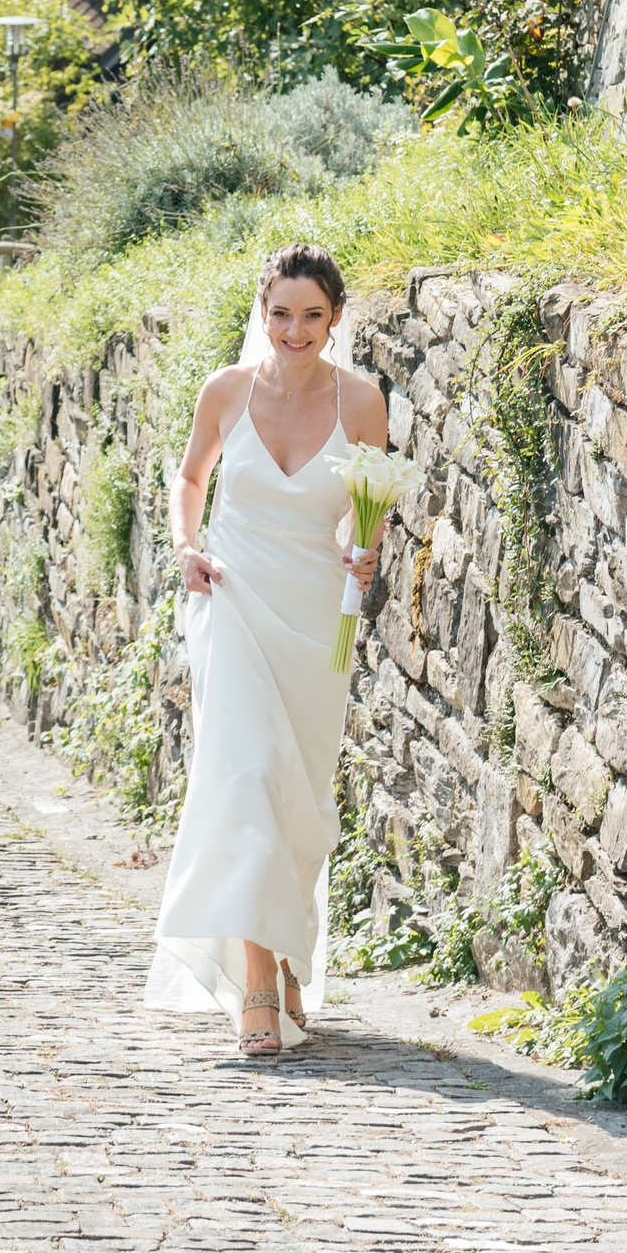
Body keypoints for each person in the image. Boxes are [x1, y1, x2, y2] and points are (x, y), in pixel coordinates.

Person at [144, 244, 387, 1054]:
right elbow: (190, 479)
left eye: (312, 315)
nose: (295, 329)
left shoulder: (361, 402)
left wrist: (366, 549)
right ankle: (256, 979)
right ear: (262, 310)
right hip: (234, 601)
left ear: (336, 318)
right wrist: (187, 547)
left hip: (318, 618)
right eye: (281, 312)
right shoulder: (225, 390)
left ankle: (289, 955)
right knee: (245, 777)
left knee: (299, 799)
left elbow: (369, 505)